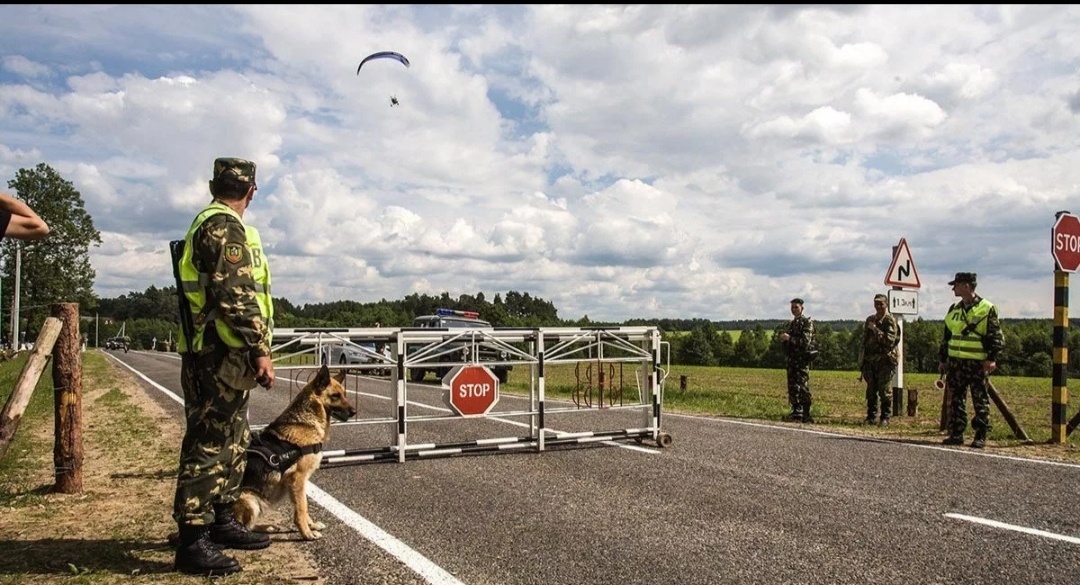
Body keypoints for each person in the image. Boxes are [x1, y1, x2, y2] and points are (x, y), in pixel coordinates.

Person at [172, 157, 275, 576]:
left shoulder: (211, 222)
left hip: (221, 353)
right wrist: (259, 348)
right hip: (218, 353)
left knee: (233, 438)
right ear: (251, 191)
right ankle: (193, 540)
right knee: (210, 443)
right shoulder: (224, 227)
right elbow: (236, 295)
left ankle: (221, 521)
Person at [938, 272, 1004, 449]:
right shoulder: (954, 309)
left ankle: (980, 434)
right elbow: (947, 336)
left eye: (956, 285)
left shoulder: (986, 308)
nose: (953, 288)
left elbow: (996, 336)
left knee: (979, 399)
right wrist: (943, 359)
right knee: (956, 399)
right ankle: (957, 433)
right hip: (956, 362)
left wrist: (992, 358)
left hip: (976, 363)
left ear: (966, 286)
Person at [859, 293, 899, 426]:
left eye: (881, 304)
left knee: (884, 390)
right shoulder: (870, 319)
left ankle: (885, 417)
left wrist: (876, 330)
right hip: (870, 361)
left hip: (885, 361)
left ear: (886, 304)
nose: (878, 306)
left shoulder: (889, 320)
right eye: (876, 304)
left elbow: (889, 341)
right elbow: (864, 340)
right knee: (871, 390)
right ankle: (871, 416)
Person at [779, 297, 816, 423]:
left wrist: (789, 338)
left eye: (796, 307)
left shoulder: (807, 323)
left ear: (802, 308)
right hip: (792, 360)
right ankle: (796, 412)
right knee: (793, 387)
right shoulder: (792, 323)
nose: (794, 309)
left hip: (801, 361)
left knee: (802, 387)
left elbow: (805, 342)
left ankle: (806, 414)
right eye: (792, 307)